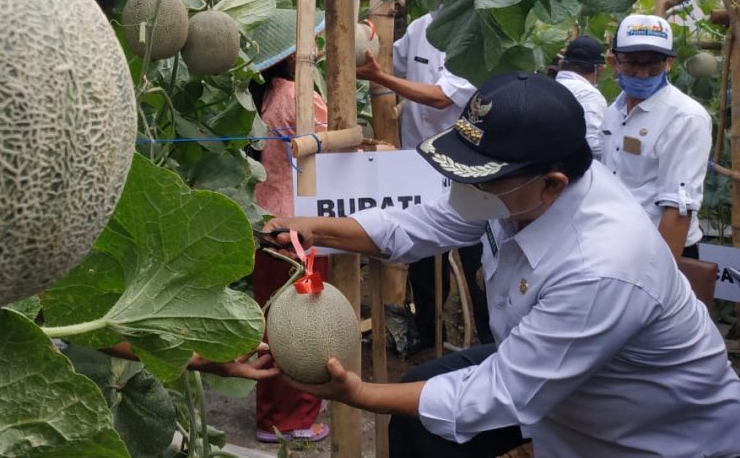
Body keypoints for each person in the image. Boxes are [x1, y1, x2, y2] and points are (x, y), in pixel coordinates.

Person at [261, 72, 740, 457]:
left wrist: (360, 393)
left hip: (650, 434)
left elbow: (501, 393)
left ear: (552, 183)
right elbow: (421, 224)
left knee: (421, 406)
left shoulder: (602, 265)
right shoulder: (520, 192)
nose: (462, 189)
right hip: (556, 378)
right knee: (418, 417)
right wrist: (314, 229)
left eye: (480, 178)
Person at [357, 11, 490, 351]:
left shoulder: (473, 31)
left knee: (475, 256)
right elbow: (391, 59)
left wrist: (380, 78)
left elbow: (441, 97)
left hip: (463, 164)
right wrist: (362, 34)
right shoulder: (421, 26)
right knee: (423, 258)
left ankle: (489, 338)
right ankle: (429, 332)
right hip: (417, 163)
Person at [247, 53, 332, 443]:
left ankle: (271, 415)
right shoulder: (298, 96)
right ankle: (294, 418)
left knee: (273, 322)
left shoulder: (264, 94)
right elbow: (331, 148)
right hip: (299, 231)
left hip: (266, 224)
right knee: (303, 323)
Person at [602, 14, 712, 260]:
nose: (642, 74)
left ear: (669, 63)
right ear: (614, 62)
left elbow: (678, 206)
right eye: (632, 62)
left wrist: (660, 274)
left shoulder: (686, 118)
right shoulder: (613, 112)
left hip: (662, 248)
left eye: (653, 64)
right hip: (617, 243)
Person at [555, 35, 607, 160]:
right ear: (599, 69)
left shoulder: (550, 85)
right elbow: (592, 145)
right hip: (574, 166)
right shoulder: (588, 94)